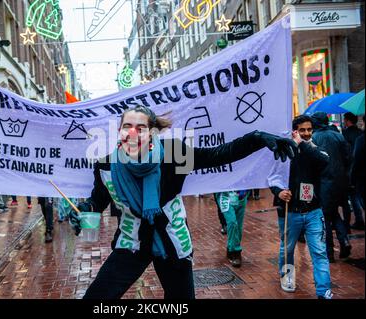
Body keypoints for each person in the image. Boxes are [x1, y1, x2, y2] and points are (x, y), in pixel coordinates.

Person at [67, 105, 296, 299]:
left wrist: (257, 138)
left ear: (152, 133)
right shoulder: (106, 165)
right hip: (131, 243)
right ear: (120, 131)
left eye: (141, 127)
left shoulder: (175, 154)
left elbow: (219, 154)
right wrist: (85, 210)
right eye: (127, 126)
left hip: (172, 242)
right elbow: (97, 201)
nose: (133, 133)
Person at [268, 115, 332, 299]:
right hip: (289, 211)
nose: (306, 133)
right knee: (287, 248)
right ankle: (286, 276)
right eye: (302, 130)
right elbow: (271, 176)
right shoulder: (283, 150)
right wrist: (278, 192)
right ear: (294, 130)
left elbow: (323, 161)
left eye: (309, 129)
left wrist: (302, 144)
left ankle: (324, 291)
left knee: (319, 251)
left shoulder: (314, 148)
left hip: (313, 211)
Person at [311, 111, 352, 262]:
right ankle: (344, 240)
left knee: (324, 217)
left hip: (324, 182)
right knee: (333, 213)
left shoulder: (314, 138)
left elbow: (313, 163)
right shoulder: (338, 135)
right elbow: (348, 158)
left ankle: (329, 252)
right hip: (340, 181)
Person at [214, 190, 249, 267]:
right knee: (232, 223)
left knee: (239, 226)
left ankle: (230, 247)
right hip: (224, 195)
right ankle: (236, 252)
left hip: (241, 195)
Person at [342, 112, 364, 230]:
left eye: (345, 120)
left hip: (352, 169)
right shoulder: (360, 133)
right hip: (361, 168)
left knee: (354, 196)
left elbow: (346, 154)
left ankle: (359, 219)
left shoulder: (345, 134)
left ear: (348, 120)